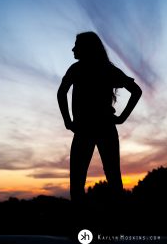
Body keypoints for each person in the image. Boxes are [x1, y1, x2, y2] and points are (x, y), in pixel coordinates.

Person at [57, 31, 142, 205]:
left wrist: (67, 120)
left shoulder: (79, 69)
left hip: (88, 128)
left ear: (86, 48)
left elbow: (61, 93)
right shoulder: (106, 69)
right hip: (101, 128)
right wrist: (121, 118)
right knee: (112, 178)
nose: (73, 49)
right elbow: (136, 91)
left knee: (79, 180)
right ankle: (113, 227)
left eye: (77, 45)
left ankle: (83, 228)